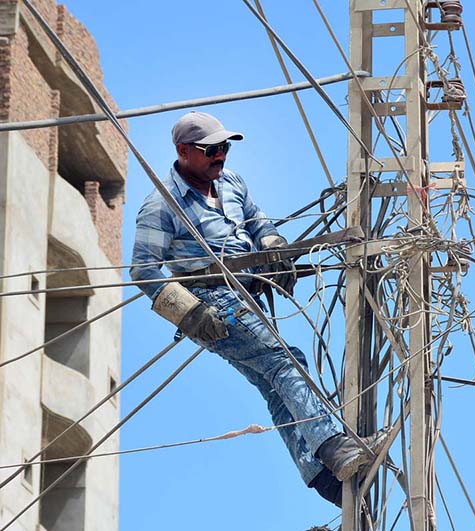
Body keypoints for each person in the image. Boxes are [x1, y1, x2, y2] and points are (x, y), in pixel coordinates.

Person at [130, 111, 386, 506]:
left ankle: (324, 479)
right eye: (211, 150)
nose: (221, 156)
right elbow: (144, 269)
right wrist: (189, 313)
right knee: (286, 363)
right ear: (182, 151)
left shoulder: (231, 183)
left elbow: (258, 222)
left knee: (272, 384)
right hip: (213, 304)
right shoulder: (161, 205)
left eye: (224, 148)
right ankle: (334, 448)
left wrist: (271, 249)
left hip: (248, 293)